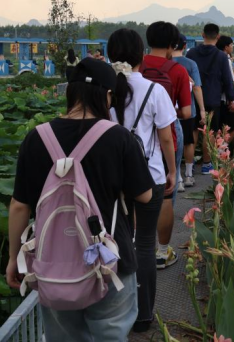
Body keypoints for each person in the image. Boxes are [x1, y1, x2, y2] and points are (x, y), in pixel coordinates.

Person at [6, 58, 154, 341]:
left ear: (69, 91)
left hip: (54, 263)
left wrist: (14, 258)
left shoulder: (36, 138)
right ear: (108, 95)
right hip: (111, 258)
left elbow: (19, 205)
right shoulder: (119, 138)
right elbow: (145, 195)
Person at [107, 27, 177, 334]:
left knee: (115, 243)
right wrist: (172, 171)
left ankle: (114, 312)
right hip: (151, 176)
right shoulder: (154, 91)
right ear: (141, 55)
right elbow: (166, 138)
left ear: (110, 55)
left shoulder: (104, 91)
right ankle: (144, 315)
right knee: (145, 245)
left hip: (112, 181)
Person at [142, 22, 192, 271]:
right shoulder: (178, 70)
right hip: (166, 136)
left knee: (135, 193)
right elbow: (186, 112)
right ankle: (162, 252)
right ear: (173, 44)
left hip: (134, 137)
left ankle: (139, 247)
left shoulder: (136, 66)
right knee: (165, 194)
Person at [186, 24, 234, 175]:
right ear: (218, 37)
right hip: (213, 98)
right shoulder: (221, 56)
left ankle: (190, 164)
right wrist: (231, 99)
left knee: (194, 130)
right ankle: (207, 164)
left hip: (194, 98)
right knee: (210, 132)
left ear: (202, 35)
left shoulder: (191, 53)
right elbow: (228, 80)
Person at [173, 34, 205, 189]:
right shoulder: (190, 64)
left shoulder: (165, 63)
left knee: (171, 142)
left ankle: (177, 177)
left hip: (168, 111)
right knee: (188, 142)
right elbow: (197, 88)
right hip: (187, 109)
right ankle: (188, 175)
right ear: (184, 46)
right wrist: (202, 110)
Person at [217, 36, 234, 151]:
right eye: (231, 45)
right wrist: (232, 101)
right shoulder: (226, 60)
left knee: (221, 127)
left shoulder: (216, 57)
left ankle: (219, 148)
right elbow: (229, 81)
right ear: (226, 47)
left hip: (216, 98)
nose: (232, 47)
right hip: (226, 99)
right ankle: (221, 149)